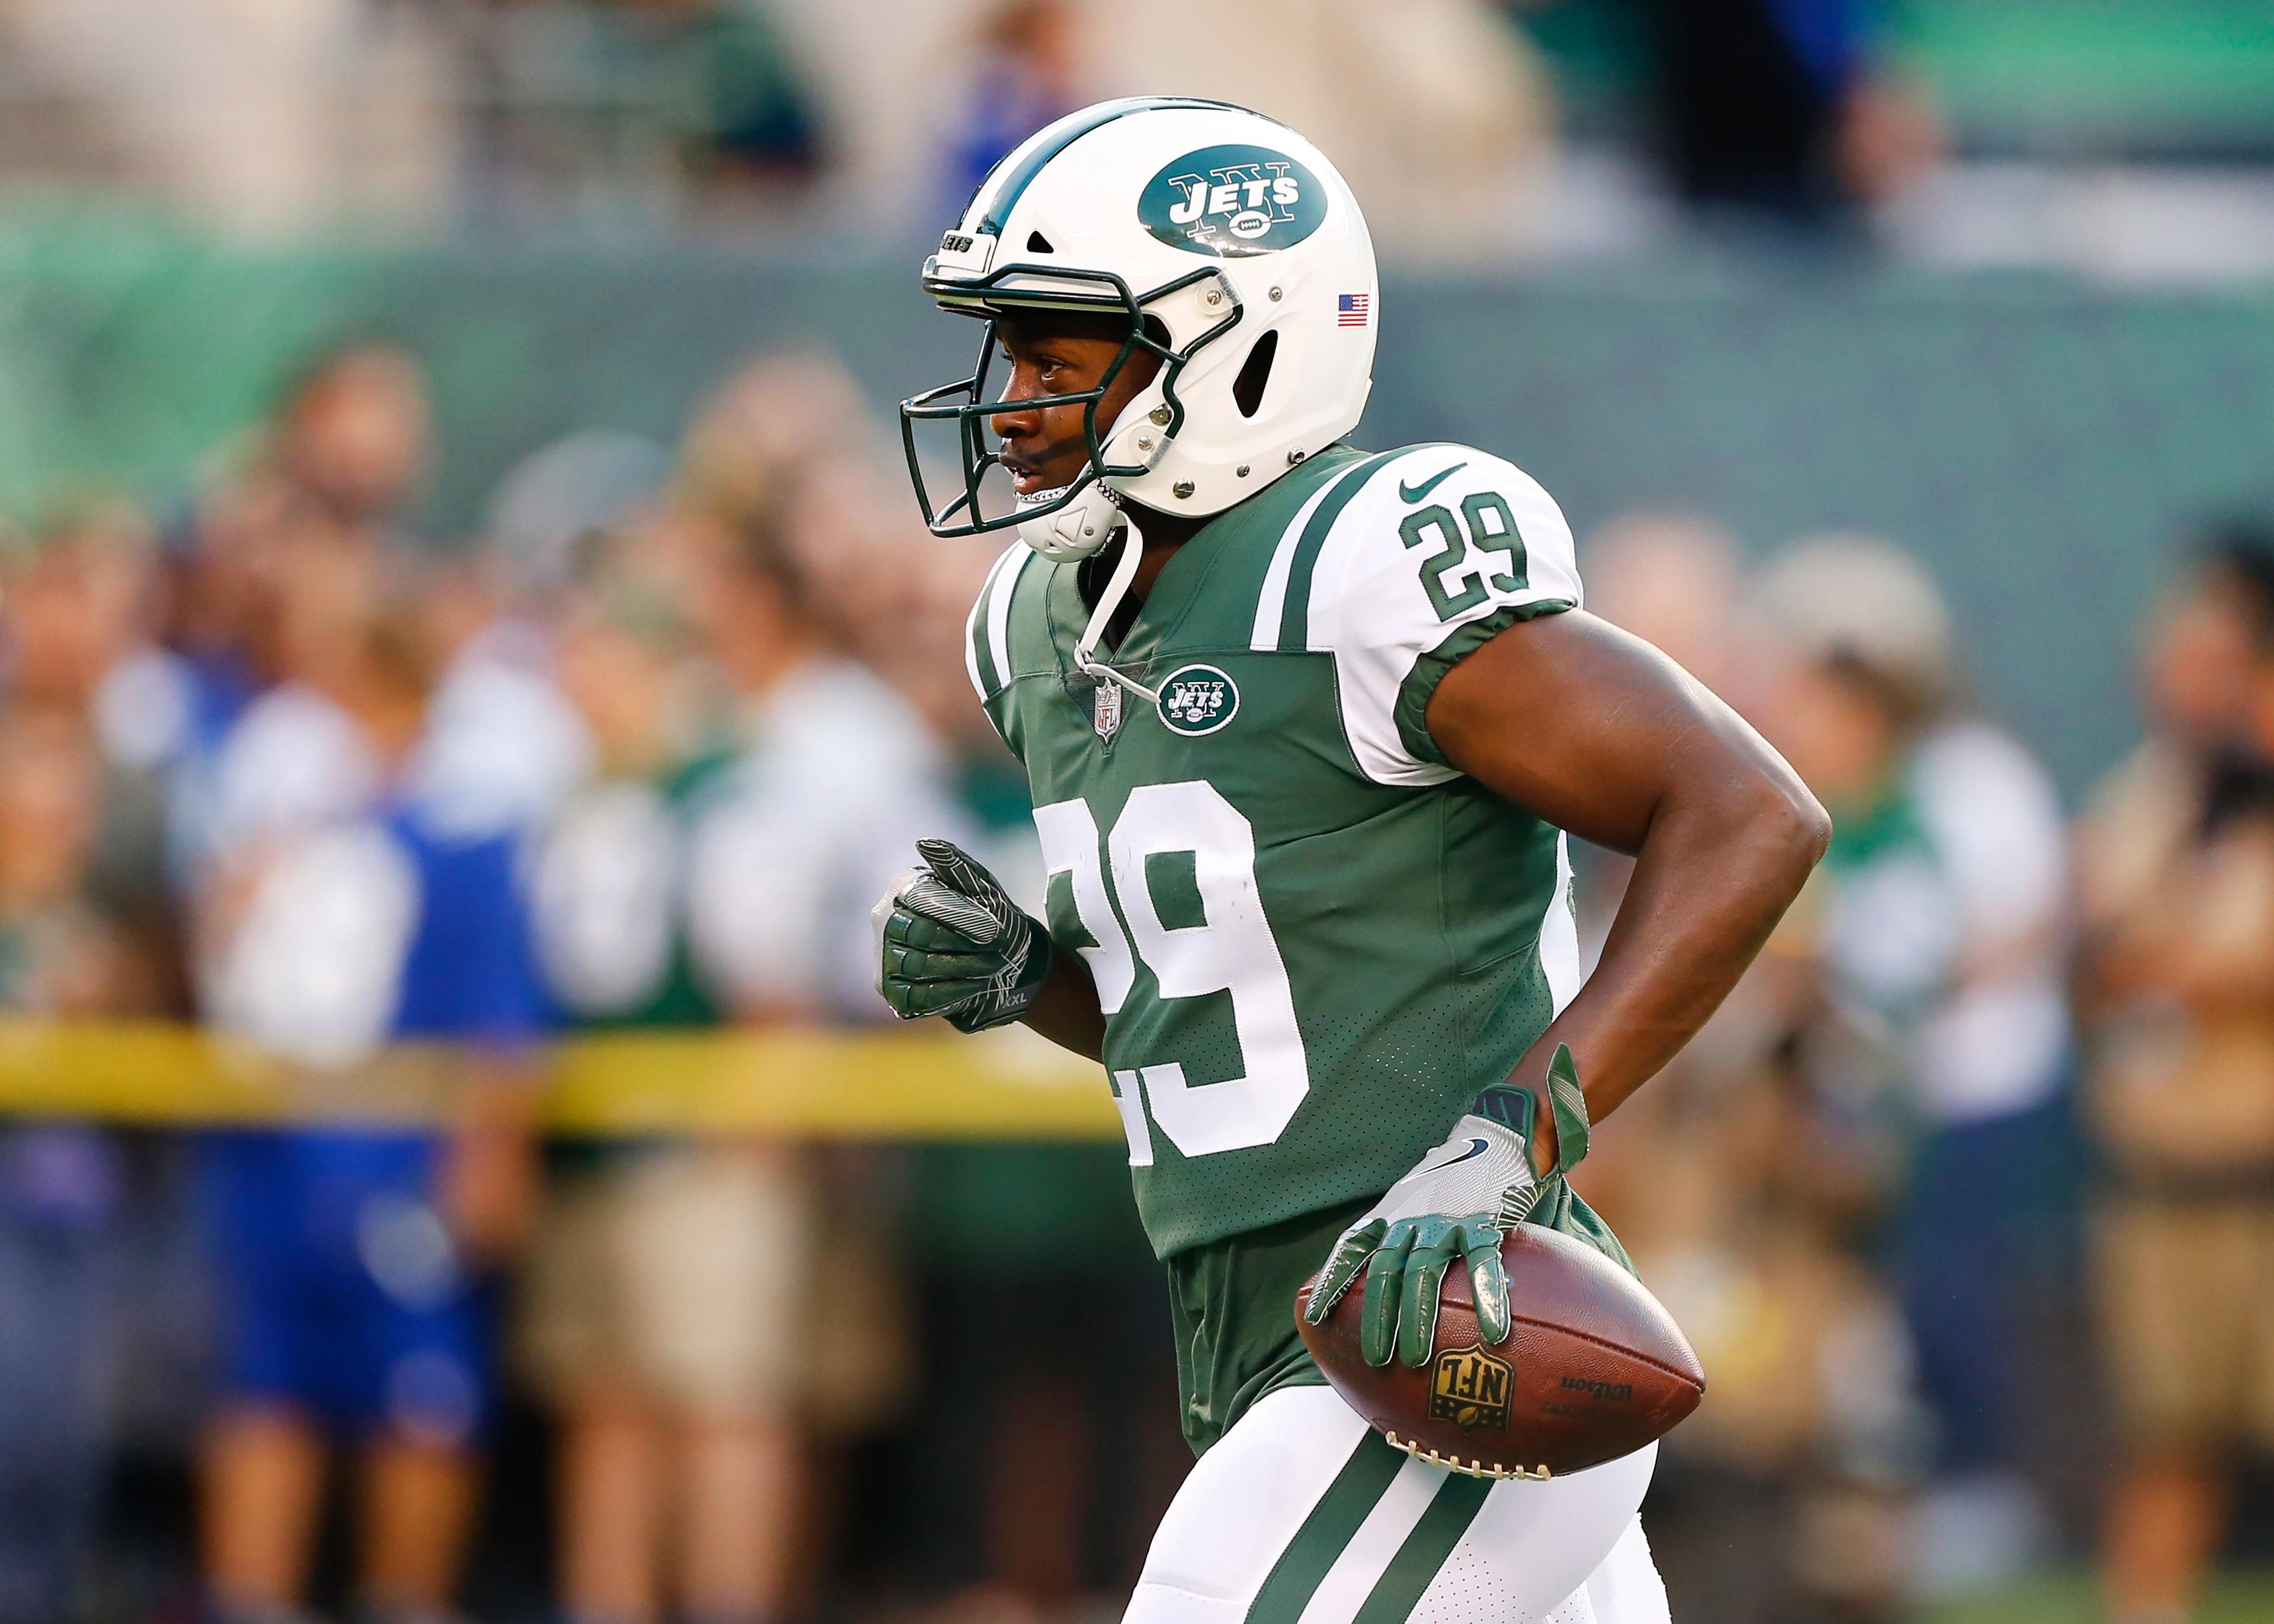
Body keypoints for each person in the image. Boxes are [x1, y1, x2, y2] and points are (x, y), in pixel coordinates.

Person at [879, 98, 1828, 1623]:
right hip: (1260, 1332)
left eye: (1062, 353)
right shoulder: (1036, 625)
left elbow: (1749, 815)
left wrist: (1514, 1134)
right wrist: (1033, 978)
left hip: (1435, 1326)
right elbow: (1217, 1013)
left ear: (1234, 347)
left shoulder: (1362, 561)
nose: (1011, 402)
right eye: (1012, 350)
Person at [192, 555, 543, 1624]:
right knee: (264, 1389)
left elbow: (499, 1018)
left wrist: (490, 1157)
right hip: (277, 1152)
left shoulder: (466, 827)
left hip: (399, 1160)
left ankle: (406, 1596)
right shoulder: (280, 807)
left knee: (419, 1401)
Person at [1751, 536, 2073, 1584]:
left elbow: (2016, 927)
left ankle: (1980, 1499)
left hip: (1970, 1095)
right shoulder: (1805, 806)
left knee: (1953, 1298)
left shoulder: (1967, 780)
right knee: (1862, 1321)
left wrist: (1883, 987)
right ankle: (1871, 1518)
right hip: (1858, 1108)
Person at [2079, 529, 2274, 1624]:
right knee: (2166, 1443)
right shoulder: (2148, 795)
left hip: (2265, 1168)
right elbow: (2099, 960)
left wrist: (2189, 963)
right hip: (2164, 1184)